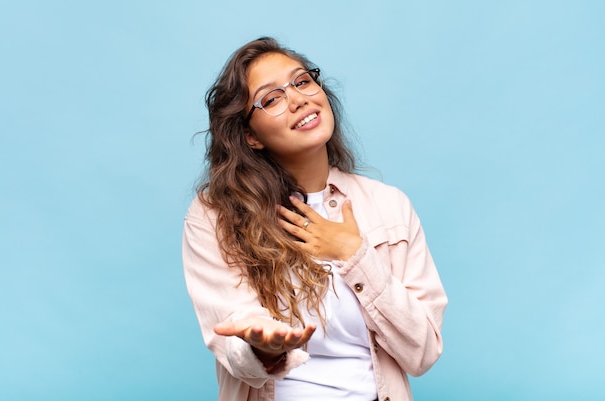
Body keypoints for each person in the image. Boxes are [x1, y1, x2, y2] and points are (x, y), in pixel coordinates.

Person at [182, 37, 448, 401]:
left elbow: (423, 352)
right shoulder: (216, 214)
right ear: (250, 136)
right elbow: (234, 344)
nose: (298, 99)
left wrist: (355, 255)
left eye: (302, 81)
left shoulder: (390, 207)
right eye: (272, 99)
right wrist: (264, 348)